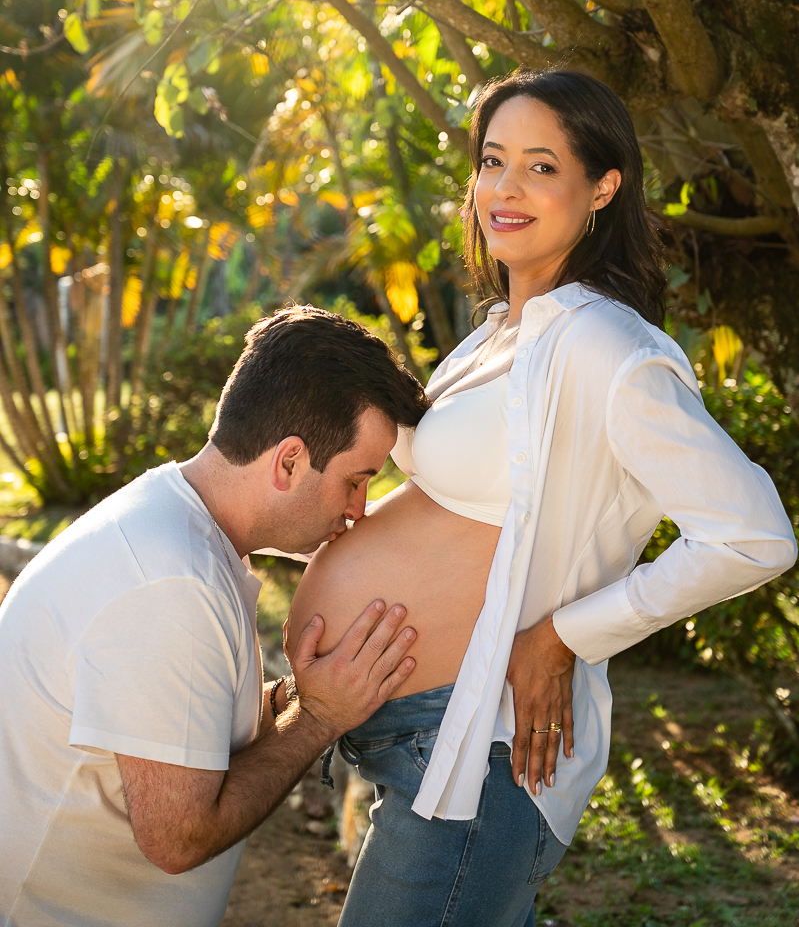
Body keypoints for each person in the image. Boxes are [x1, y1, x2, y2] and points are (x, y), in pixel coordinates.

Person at [285, 69, 798, 927]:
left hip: (475, 755)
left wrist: (564, 634)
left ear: (602, 186)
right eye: (491, 161)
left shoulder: (607, 346)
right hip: (416, 738)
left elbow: (752, 538)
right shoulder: (499, 334)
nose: (504, 188)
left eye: (540, 166)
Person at [0, 306, 430, 927]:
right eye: (356, 481)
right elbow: (179, 838)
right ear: (287, 462)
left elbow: (181, 717)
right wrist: (317, 719)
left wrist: (295, 694)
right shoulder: (168, 583)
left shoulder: (178, 526)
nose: (360, 510)